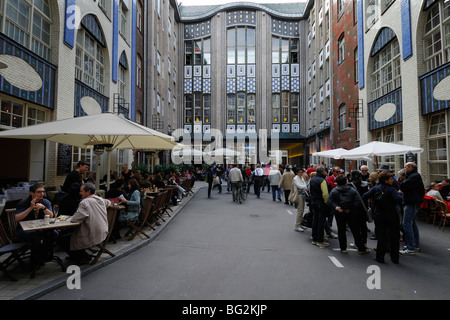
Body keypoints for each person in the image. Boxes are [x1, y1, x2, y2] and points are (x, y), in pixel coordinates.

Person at [60, 183, 110, 265]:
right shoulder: (100, 199)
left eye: (81, 191)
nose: (80, 193)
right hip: (103, 231)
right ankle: (77, 255)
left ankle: (82, 256)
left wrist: (71, 217)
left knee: (62, 238)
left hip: (92, 234)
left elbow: (76, 219)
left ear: (88, 192)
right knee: (67, 235)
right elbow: (108, 202)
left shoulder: (85, 202)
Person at [363, 172, 403, 264]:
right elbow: (399, 199)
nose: (393, 180)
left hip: (379, 214)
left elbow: (365, 196)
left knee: (381, 236)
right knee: (394, 236)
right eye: (391, 179)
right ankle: (395, 258)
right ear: (386, 180)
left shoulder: (376, 188)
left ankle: (380, 257)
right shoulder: (392, 190)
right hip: (392, 214)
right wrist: (399, 194)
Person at [15, 183, 56, 271]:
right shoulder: (24, 203)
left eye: (43, 192)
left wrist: (44, 208)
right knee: (35, 236)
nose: (42, 194)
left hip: (39, 229)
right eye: (39, 192)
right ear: (31, 193)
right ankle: (34, 262)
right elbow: (17, 218)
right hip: (23, 231)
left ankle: (42, 257)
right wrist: (30, 207)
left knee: (53, 233)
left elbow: (51, 215)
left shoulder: (45, 202)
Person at [328, 175, 370, 254]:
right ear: (346, 182)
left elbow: (329, 201)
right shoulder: (352, 190)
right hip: (351, 212)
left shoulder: (334, 190)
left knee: (341, 230)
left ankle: (343, 248)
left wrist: (337, 207)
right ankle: (361, 248)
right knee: (355, 230)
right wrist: (351, 208)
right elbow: (358, 200)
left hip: (339, 212)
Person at [399, 162, 424, 255]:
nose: (404, 169)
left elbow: (403, 186)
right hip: (412, 202)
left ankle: (410, 247)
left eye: (405, 167)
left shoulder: (414, 176)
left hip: (411, 202)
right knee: (412, 224)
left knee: (406, 224)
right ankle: (415, 245)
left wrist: (402, 181)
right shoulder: (414, 176)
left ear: (410, 167)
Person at [309, 166, 330, 247]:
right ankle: (320, 240)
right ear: (322, 172)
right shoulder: (322, 180)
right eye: (325, 171)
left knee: (315, 220)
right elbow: (325, 194)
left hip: (313, 201)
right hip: (321, 202)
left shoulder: (312, 179)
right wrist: (326, 202)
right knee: (321, 221)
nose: (326, 172)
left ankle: (314, 238)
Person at [293, 168, 308, 232]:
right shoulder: (295, 178)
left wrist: (304, 186)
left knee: (302, 210)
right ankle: (297, 226)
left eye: (302, 172)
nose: (301, 173)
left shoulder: (301, 178)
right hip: (298, 195)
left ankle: (300, 224)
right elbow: (300, 186)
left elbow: (305, 186)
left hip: (303, 195)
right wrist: (304, 186)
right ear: (296, 173)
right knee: (300, 210)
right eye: (300, 172)